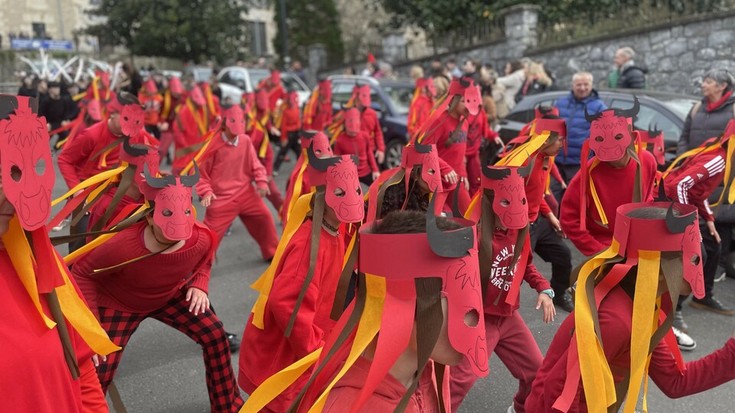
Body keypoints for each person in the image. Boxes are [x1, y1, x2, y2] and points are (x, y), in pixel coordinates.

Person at [243, 208, 487, 412]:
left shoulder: (428, 367)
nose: (473, 318)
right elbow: (285, 302)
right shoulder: (351, 406)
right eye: (459, 301)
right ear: (402, 303)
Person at [526, 202, 735, 412]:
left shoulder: (645, 308)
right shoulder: (615, 319)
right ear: (659, 268)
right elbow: (560, 391)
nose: (701, 265)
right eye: (692, 259)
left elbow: (675, 382)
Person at [72, 169, 245, 412]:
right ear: (150, 218)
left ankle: (229, 406)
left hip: (168, 296)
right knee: (97, 369)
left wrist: (199, 284)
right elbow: (81, 273)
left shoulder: (200, 238)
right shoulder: (122, 244)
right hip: (118, 303)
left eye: (186, 213)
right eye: (167, 214)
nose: (178, 224)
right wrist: (92, 326)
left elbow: (205, 258)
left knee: (216, 337)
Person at [0, 94, 118, 413]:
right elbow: (68, 160)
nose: (13, 197)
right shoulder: (91, 135)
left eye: (19, 173)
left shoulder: (33, 255)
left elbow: (80, 365)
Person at [240, 154, 364, 412]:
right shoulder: (309, 244)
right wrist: (315, 349)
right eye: (340, 192)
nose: (351, 197)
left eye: (355, 189)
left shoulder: (336, 228)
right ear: (323, 195)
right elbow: (286, 303)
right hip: (287, 357)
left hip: (309, 344)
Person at [451, 165, 555, 413]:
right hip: (480, 319)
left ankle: (520, 408)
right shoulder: (472, 235)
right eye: (507, 201)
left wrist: (544, 288)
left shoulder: (520, 232)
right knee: (459, 381)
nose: (516, 208)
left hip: (508, 316)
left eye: (521, 200)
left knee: (536, 373)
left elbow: (524, 265)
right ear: (490, 201)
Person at [497, 109, 575, 312]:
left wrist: (550, 216)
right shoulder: (523, 160)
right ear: (547, 139)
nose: (562, 144)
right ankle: (504, 311)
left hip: (537, 221)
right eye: (560, 140)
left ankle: (559, 293)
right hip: (520, 226)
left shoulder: (548, 157)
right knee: (517, 270)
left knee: (564, 255)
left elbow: (537, 193)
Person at [560, 100, 657, 257]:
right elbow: (569, 217)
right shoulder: (590, 172)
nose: (609, 146)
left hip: (639, 245)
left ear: (631, 136)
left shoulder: (647, 161)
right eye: (600, 139)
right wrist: (598, 250)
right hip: (605, 249)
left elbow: (648, 196)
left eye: (618, 136)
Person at [663, 121, 735, 318]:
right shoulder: (719, 159)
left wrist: (708, 219)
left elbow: (697, 193)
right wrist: (691, 222)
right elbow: (680, 186)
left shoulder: (726, 159)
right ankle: (672, 310)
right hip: (666, 203)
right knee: (697, 254)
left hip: (683, 203)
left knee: (714, 244)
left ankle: (703, 297)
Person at [196, 103, 279, 261]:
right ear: (224, 122)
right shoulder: (212, 146)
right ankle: (198, 269)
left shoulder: (245, 140)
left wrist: (262, 182)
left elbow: (256, 165)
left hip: (246, 193)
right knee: (208, 237)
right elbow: (201, 174)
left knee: (265, 218)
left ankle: (272, 253)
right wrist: (206, 192)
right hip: (220, 198)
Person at [413, 76, 482, 212]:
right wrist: (446, 169)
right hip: (437, 182)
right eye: (463, 101)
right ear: (454, 101)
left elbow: (460, 155)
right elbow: (425, 150)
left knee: (469, 218)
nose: (468, 105)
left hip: (457, 181)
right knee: (444, 223)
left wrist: (463, 176)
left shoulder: (465, 122)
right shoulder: (440, 120)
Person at [553, 71, 607, 198]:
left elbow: (603, 137)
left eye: (586, 84)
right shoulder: (560, 104)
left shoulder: (600, 107)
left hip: (579, 163)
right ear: (573, 85)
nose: (582, 88)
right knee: (552, 200)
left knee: (573, 198)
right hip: (556, 160)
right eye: (579, 85)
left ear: (591, 85)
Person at [677, 68, 735, 154]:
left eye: (708, 82)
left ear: (722, 86)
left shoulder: (733, 109)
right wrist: (682, 158)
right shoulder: (697, 108)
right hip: (694, 163)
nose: (703, 85)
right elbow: (684, 138)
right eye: (703, 82)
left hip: (721, 165)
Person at [332, 107, 380, 186]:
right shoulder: (339, 140)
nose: (353, 134)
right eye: (351, 132)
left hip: (365, 173)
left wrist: (375, 170)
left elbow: (369, 153)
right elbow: (337, 161)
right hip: (349, 176)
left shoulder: (365, 136)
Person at [352, 84, 386, 165]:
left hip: (370, 152)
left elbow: (378, 132)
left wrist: (381, 149)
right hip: (353, 154)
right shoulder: (348, 113)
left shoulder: (372, 114)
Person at [273, 90, 302, 173]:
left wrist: (299, 133)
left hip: (296, 134)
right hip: (289, 135)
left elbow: (299, 121)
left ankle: (301, 168)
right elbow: (284, 126)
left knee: (299, 152)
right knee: (283, 152)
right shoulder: (286, 111)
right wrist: (284, 138)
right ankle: (275, 168)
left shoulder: (297, 108)